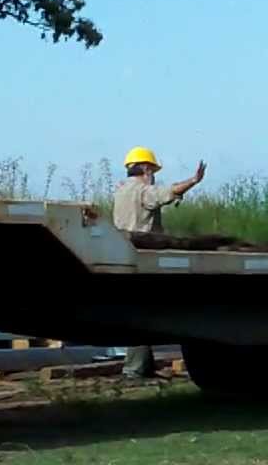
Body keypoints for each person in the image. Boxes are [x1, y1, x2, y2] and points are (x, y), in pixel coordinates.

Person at [112, 146, 206, 379]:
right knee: (142, 314)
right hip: (143, 258)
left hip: (123, 256)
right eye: (153, 171)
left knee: (138, 312)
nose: (153, 175)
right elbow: (166, 193)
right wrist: (193, 181)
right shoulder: (142, 191)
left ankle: (143, 365)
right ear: (146, 168)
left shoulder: (121, 191)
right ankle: (134, 369)